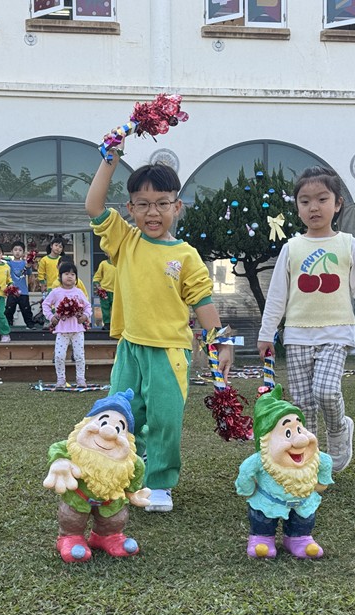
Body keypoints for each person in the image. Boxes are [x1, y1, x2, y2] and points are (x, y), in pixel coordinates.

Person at [86, 134, 233, 513]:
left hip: (170, 352)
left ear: (177, 207)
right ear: (131, 208)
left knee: (165, 420)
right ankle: (118, 473)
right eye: (143, 204)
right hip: (130, 348)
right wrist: (110, 158)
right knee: (120, 414)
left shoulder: (186, 255)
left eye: (162, 204)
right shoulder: (125, 241)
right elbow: (93, 205)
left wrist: (221, 344)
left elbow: (202, 301)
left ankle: (159, 482)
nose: (153, 213)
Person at [257, 166, 355, 473]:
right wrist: (267, 333)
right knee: (303, 404)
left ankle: (339, 430)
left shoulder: (348, 243)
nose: (314, 207)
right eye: (305, 201)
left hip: (336, 333)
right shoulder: (291, 247)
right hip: (297, 335)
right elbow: (277, 295)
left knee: (327, 392)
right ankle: (309, 458)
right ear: (297, 207)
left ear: (338, 203)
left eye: (322, 199)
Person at [43, 389, 149, 562]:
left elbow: (137, 469)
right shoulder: (74, 447)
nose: (108, 432)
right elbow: (57, 448)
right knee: (72, 517)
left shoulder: (130, 461)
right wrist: (59, 461)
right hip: (78, 497)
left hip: (111, 501)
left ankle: (107, 537)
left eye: (119, 428)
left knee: (115, 518)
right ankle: (70, 537)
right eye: (103, 422)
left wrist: (133, 494)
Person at [235, 385, 333, 560]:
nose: (301, 440)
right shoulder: (262, 459)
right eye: (288, 433)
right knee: (262, 518)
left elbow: (325, 461)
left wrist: (322, 481)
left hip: (302, 501)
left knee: (303, 518)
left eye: (300, 429)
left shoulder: (312, 457)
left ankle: (299, 538)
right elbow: (245, 471)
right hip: (267, 501)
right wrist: (248, 489)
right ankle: (262, 538)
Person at [43, 261, 92, 388]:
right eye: (66, 274)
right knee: (59, 356)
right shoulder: (55, 292)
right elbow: (45, 305)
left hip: (77, 330)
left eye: (72, 274)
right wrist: (51, 317)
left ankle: (81, 379)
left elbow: (88, 306)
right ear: (60, 276)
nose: (69, 276)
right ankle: (61, 380)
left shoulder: (79, 292)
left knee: (79, 356)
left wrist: (85, 316)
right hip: (61, 330)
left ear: (76, 278)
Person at [6, 240, 37, 329]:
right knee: (9, 309)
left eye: (20, 250)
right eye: (15, 250)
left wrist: (29, 266)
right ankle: (8, 325)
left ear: (23, 252)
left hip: (23, 291)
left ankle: (30, 324)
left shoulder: (25, 263)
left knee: (26, 309)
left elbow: (29, 273)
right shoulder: (9, 263)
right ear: (12, 251)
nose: (17, 252)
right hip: (12, 290)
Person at [92, 256, 116, 328]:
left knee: (116, 309)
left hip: (117, 291)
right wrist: (98, 286)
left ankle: (115, 324)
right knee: (105, 308)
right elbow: (97, 276)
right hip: (105, 290)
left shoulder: (120, 264)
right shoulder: (103, 264)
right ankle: (107, 324)